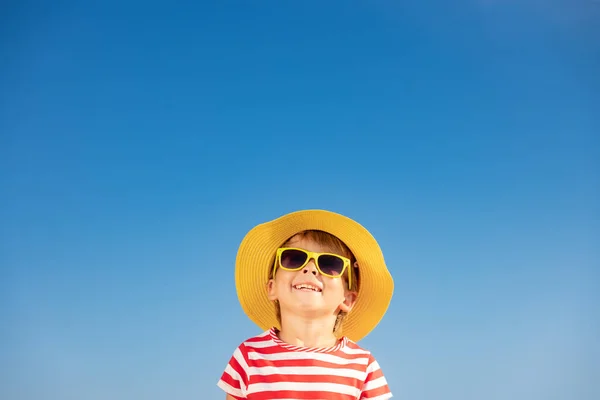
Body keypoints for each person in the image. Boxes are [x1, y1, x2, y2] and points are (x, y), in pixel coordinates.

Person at [217, 209, 394, 399]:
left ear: (348, 299)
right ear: (272, 287)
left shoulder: (362, 365)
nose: (310, 268)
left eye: (330, 264)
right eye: (293, 258)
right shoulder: (249, 357)